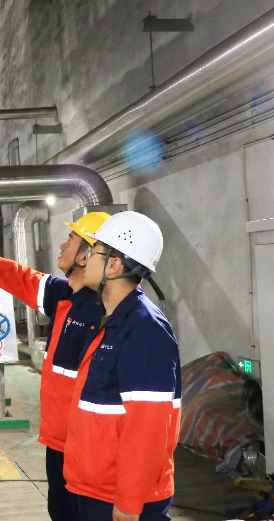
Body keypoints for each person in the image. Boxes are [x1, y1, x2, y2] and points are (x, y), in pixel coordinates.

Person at [0, 211, 111, 521]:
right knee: (61, 511)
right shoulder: (63, 294)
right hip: (58, 439)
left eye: (70, 239)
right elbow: (19, 276)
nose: (61, 245)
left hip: (85, 444)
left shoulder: (102, 311)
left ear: (86, 255)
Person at [64, 210, 181, 521]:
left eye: (93, 252)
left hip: (121, 500)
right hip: (96, 488)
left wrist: (129, 505)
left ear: (113, 265)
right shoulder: (112, 319)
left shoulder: (145, 331)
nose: (85, 259)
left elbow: (147, 427)